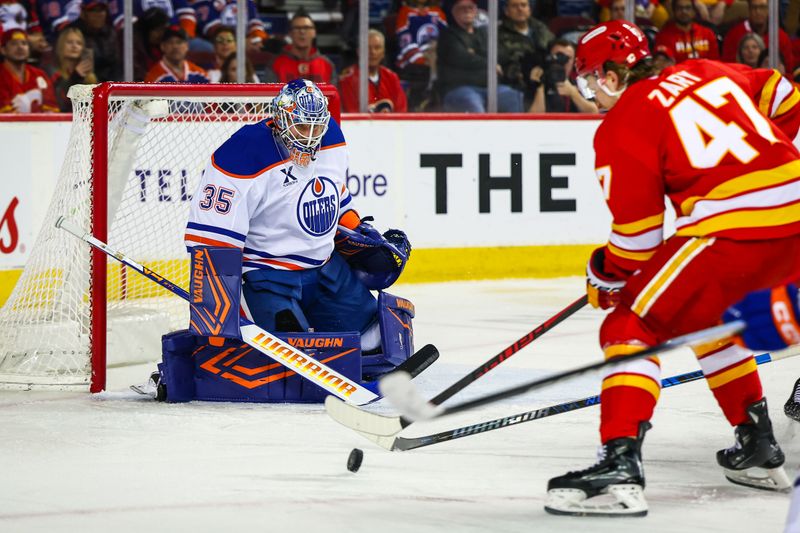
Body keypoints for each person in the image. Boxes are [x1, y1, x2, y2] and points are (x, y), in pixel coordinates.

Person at [543, 20, 800, 517]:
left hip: (733, 233)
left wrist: (604, 275)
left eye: (590, 83)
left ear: (614, 76)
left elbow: (637, 244)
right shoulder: (708, 68)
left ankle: (619, 462)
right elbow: (783, 93)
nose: (591, 98)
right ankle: (756, 444)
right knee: (703, 315)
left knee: (631, 323)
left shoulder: (622, 122)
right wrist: (767, 154)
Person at [183, 78, 411, 374]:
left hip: (326, 270)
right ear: (280, 120)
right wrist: (218, 313)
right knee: (292, 359)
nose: (312, 137)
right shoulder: (243, 153)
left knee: (376, 341)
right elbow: (213, 242)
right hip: (269, 276)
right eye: (303, 127)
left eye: (317, 127)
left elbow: (336, 196)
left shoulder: (330, 136)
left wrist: (361, 236)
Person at [437, 0, 523, 113]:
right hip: (460, 89)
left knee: (514, 97)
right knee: (473, 103)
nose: (467, 10)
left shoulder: (483, 33)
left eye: (470, 7)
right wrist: (490, 64)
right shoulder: (448, 35)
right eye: (462, 8)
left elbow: (502, 54)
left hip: (491, 88)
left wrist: (475, 52)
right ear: (454, 12)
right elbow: (463, 58)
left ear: (476, 11)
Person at [498, 0, 553, 108]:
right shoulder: (499, 34)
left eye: (523, 5)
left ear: (529, 9)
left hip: (544, 77)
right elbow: (504, 60)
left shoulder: (540, 28)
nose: (520, 9)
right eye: (514, 6)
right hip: (516, 82)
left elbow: (552, 48)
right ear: (506, 11)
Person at [394, 0, 447, 111]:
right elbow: (404, 40)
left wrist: (438, 56)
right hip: (412, 60)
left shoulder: (438, 13)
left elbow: (447, 38)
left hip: (435, 58)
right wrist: (422, 58)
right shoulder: (405, 13)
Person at [338, 29, 407, 113]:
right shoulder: (348, 79)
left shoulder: (392, 77)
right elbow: (352, 113)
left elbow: (401, 111)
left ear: (383, 53)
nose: (372, 52)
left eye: (377, 48)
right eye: (367, 48)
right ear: (359, 52)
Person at [528, 38, 598, 113]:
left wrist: (573, 93)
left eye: (568, 58)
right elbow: (532, 119)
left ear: (574, 61)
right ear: (548, 57)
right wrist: (540, 87)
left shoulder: (580, 81)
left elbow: (594, 112)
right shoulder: (538, 79)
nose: (564, 62)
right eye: (558, 56)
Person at [722, 0, 793, 73]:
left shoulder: (781, 37)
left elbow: (789, 70)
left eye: (762, 7)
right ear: (749, 9)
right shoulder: (734, 34)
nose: (758, 11)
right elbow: (727, 67)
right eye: (754, 7)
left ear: (768, 9)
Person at [271, 10, 336, 85]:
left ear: (314, 32)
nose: (302, 32)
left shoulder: (327, 65)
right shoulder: (276, 64)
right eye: (297, 28)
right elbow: (268, 95)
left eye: (306, 27)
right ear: (290, 33)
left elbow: (334, 95)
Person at [0, 29, 58, 112]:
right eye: (13, 44)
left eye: (24, 43)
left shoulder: (40, 75)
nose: (20, 47)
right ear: (3, 50)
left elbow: (51, 107)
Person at [69, 0, 120, 82]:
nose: (99, 14)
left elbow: (117, 65)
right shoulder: (73, 33)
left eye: (102, 10)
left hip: (110, 86)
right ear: (83, 13)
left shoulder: (110, 33)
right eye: (94, 10)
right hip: (82, 85)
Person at [654, 0, 720, 63]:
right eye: (679, 8)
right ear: (674, 11)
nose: (684, 11)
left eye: (688, 8)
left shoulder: (707, 33)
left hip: (705, 73)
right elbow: (663, 64)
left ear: (694, 11)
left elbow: (715, 62)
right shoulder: (663, 36)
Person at [51, 26, 97, 112]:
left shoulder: (90, 77)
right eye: (69, 42)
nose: (74, 46)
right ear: (61, 46)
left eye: (79, 43)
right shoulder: (53, 72)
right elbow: (61, 102)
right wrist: (76, 77)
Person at [144, 25, 209, 83]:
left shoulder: (200, 75)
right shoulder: (153, 78)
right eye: (170, 42)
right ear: (162, 46)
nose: (175, 46)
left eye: (179, 42)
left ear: (187, 46)